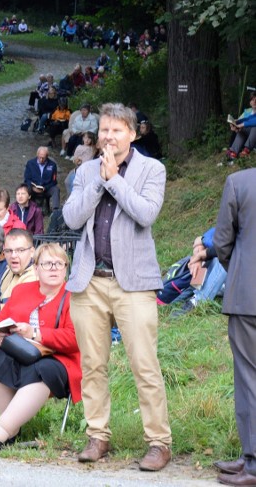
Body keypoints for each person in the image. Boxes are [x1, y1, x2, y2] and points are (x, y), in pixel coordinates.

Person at [62, 102, 172, 471]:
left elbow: (146, 213)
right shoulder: (86, 170)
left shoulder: (152, 169)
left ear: (133, 133)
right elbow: (72, 217)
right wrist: (98, 179)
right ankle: (98, 436)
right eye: (104, 130)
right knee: (93, 364)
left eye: (116, 130)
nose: (109, 136)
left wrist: (115, 180)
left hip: (134, 283)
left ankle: (159, 442)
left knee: (145, 365)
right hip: (89, 281)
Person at [0, 243, 81, 449]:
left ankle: (0, 432)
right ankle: (12, 428)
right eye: (47, 264)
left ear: (66, 268)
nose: (54, 268)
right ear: (36, 269)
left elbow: (75, 339)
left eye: (59, 263)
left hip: (59, 359)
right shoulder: (21, 291)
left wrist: (35, 333)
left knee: (42, 369)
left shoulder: (75, 297)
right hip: (22, 352)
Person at [212, 167, 256, 484]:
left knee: (249, 379)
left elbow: (223, 242)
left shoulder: (239, 182)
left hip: (248, 297)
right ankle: (248, 456)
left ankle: (253, 463)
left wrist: (240, 272)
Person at [0, 228, 37, 304]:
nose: (13, 255)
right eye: (9, 251)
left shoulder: (34, 279)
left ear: (32, 252)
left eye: (20, 250)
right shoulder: (9, 270)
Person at [24, 146, 61, 211]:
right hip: (33, 188)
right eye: (40, 157)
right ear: (37, 155)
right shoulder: (30, 163)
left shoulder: (52, 165)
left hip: (46, 189)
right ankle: (25, 208)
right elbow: (26, 179)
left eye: (43, 158)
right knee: (25, 188)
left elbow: (54, 181)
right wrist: (33, 187)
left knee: (56, 189)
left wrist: (45, 188)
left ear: (47, 156)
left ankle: (56, 211)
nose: (41, 160)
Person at [226, 91, 256, 160]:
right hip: (248, 139)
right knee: (241, 129)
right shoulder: (248, 113)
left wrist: (242, 125)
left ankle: (246, 150)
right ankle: (233, 152)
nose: (254, 101)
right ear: (250, 102)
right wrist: (234, 124)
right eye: (252, 99)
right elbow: (244, 120)